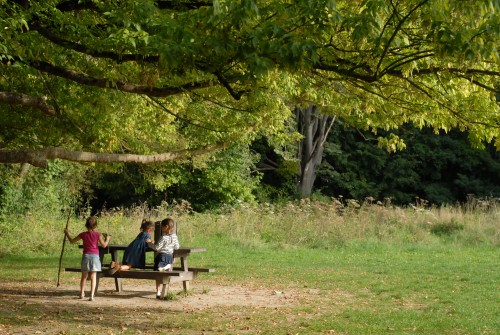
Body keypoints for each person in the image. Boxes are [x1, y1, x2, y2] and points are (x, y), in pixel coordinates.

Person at [64, 216, 110, 301]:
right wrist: (107, 239)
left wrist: (67, 233)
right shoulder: (97, 234)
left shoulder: (83, 234)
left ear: (86, 225)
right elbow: (104, 245)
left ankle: (81, 293)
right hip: (95, 257)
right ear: (96, 226)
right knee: (93, 276)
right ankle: (91, 295)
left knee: (84, 276)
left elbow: (72, 241)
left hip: (86, 256)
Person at [148, 218, 180, 298]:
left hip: (162, 256)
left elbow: (157, 248)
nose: (161, 229)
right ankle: (160, 291)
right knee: (162, 274)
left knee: (157, 273)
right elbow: (177, 247)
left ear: (166, 227)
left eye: (162, 227)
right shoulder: (174, 236)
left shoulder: (163, 237)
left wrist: (149, 244)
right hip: (169, 256)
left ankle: (158, 291)